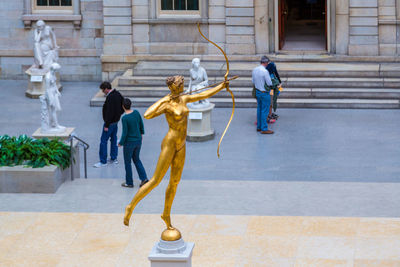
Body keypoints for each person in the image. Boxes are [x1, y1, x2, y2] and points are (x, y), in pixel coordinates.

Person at [123, 75, 230, 241]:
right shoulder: (167, 103)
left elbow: (203, 95)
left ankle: (166, 214)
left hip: (182, 145)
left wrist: (222, 86)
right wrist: (164, 100)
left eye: (182, 84)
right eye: (180, 85)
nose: (182, 86)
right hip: (170, 143)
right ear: (173, 87)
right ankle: (131, 206)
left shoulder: (184, 98)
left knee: (174, 182)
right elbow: (147, 114)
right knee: (156, 180)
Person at [118, 98, 149, 188]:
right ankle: (144, 178)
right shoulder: (136, 113)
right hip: (138, 140)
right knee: (136, 159)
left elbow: (125, 132)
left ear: (123, 106)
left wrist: (121, 142)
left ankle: (129, 182)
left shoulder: (124, 118)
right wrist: (141, 133)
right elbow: (141, 124)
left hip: (129, 143)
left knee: (127, 162)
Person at [93, 82, 124, 168]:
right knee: (113, 139)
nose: (103, 92)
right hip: (115, 122)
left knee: (103, 141)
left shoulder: (110, 97)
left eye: (103, 91)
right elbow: (123, 105)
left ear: (106, 89)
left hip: (109, 123)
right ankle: (114, 158)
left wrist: (106, 125)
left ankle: (103, 161)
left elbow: (109, 112)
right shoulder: (118, 94)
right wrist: (119, 115)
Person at [252, 56, 274, 134]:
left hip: (258, 91)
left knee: (259, 109)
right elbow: (269, 83)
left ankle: (259, 127)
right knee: (265, 111)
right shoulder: (265, 71)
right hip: (264, 93)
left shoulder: (254, 70)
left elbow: (253, 81)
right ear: (265, 63)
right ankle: (264, 129)